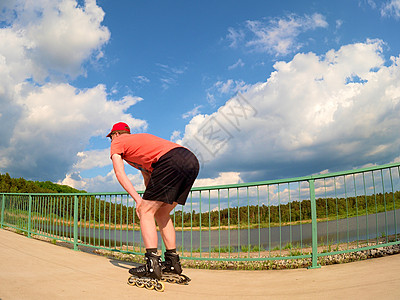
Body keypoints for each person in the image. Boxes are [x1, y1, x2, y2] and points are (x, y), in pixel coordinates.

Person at [107, 122, 199, 282]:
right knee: (161, 212)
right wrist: (149, 201)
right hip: (190, 161)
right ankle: (172, 263)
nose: (111, 141)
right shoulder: (140, 145)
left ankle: (151, 265)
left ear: (115, 134)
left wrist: (139, 201)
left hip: (171, 161)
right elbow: (149, 178)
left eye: (111, 137)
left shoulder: (117, 142)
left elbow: (119, 172)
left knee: (145, 211)